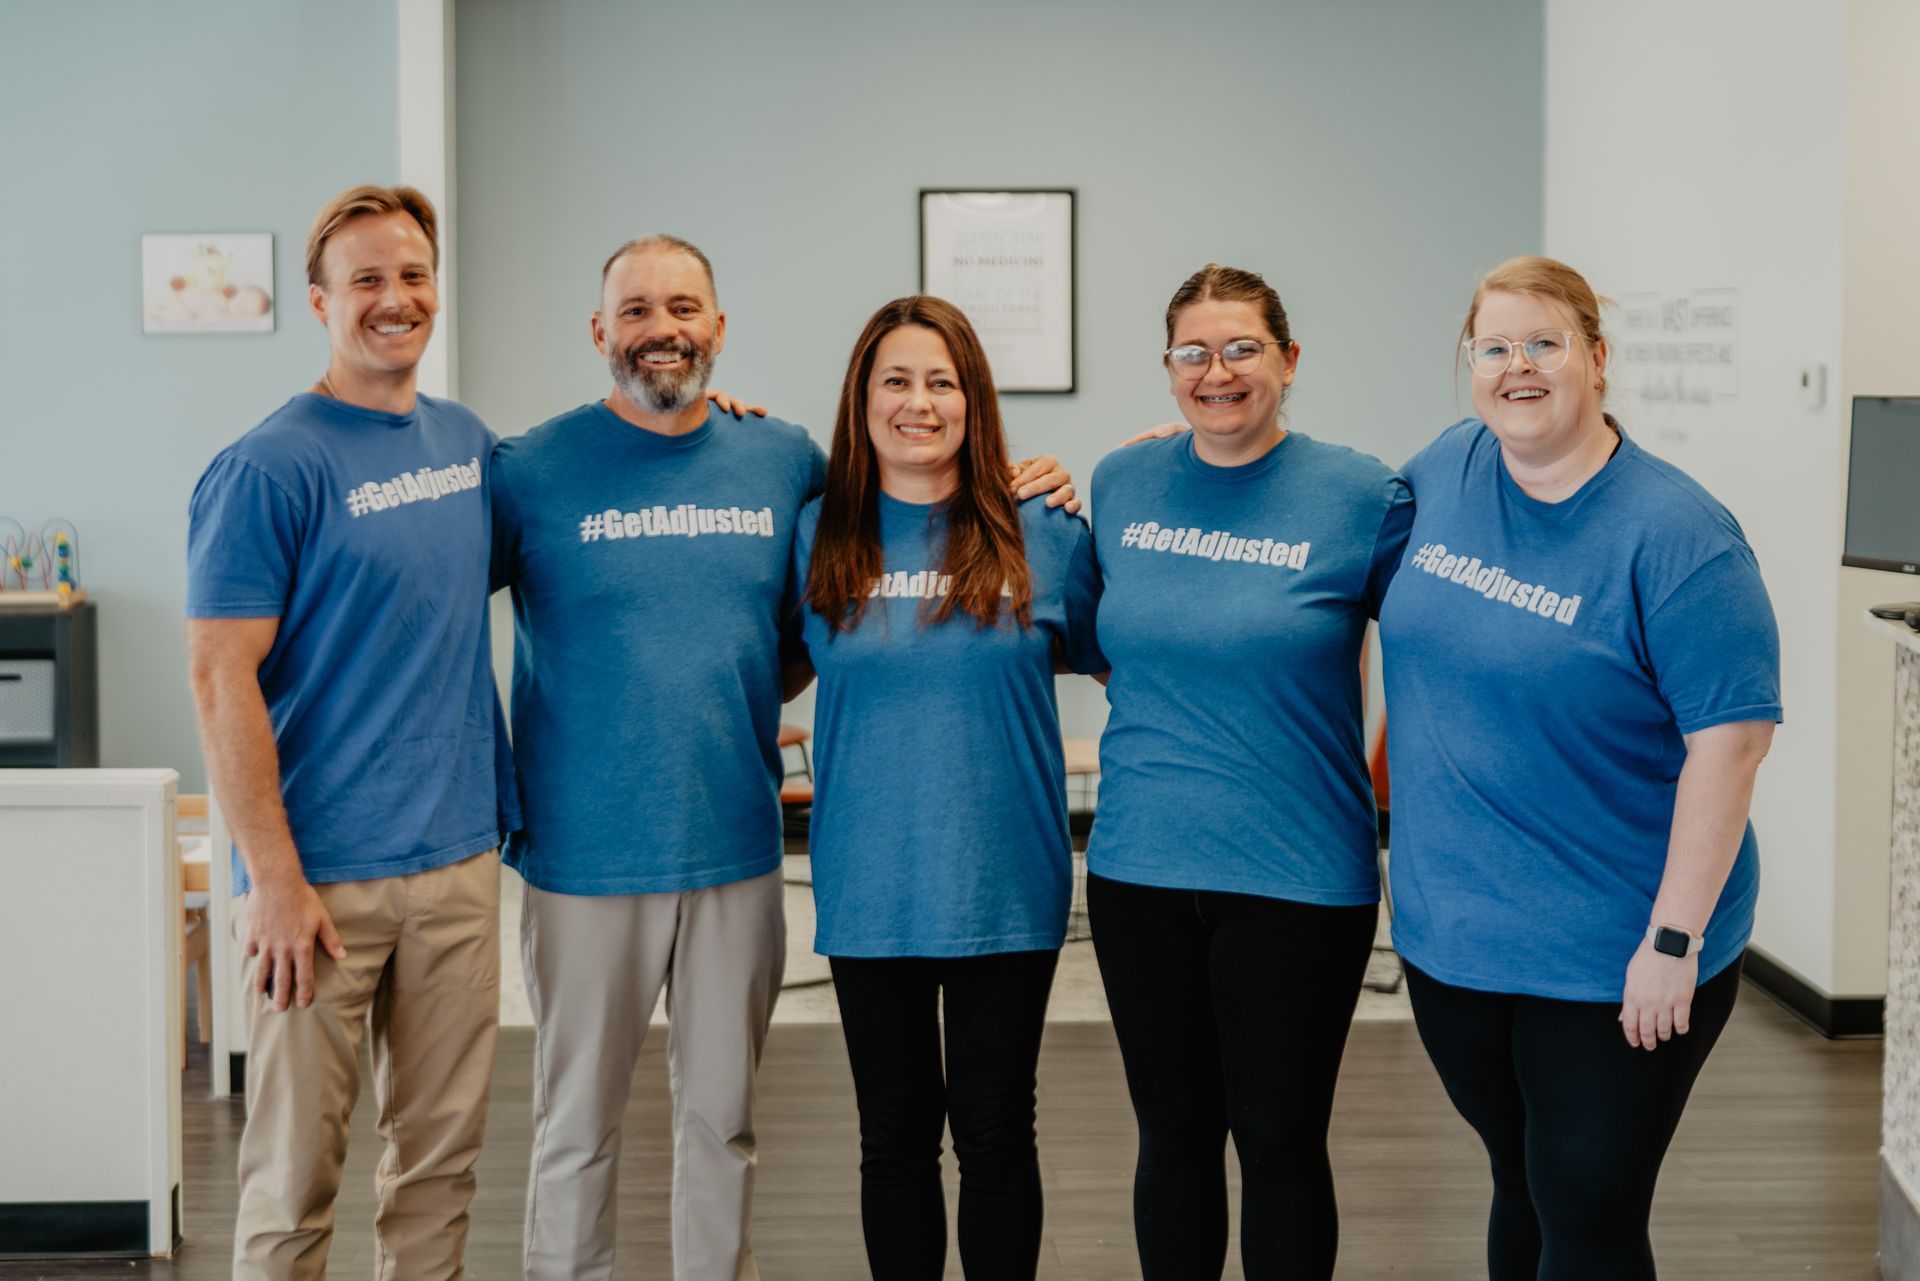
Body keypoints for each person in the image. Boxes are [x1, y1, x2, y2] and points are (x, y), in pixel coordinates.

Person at [490, 245, 1078, 1281]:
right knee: (579, 1125)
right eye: (636, 308)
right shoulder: (538, 470)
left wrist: (1053, 478)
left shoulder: (796, 470)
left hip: (750, 846)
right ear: (599, 331)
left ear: (719, 328)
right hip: (599, 851)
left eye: (684, 307)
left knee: (731, 1123)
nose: (661, 326)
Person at [1379, 255, 1779, 1280]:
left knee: (1590, 1207)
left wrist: (1673, 939)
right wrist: (1191, 449)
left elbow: (1731, 745)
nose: (1518, 367)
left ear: (1597, 359)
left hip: (1618, 947)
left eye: (1544, 344)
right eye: (1494, 347)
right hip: (1458, 936)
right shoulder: (1447, 468)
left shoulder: (1679, 535)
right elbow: (1323, 529)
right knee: (1522, 1180)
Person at [186, 184, 516, 1281]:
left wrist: (713, 414)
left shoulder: (466, 444)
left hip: (460, 864)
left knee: (438, 1171)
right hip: (318, 887)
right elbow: (218, 675)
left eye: (413, 275)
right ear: (320, 303)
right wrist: (270, 879)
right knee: (292, 1183)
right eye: (367, 279)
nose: (395, 298)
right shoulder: (268, 467)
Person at [1084, 264, 1412, 1280]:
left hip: (1298, 879)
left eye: (1241, 349)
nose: (1216, 372)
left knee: (1277, 1144)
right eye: (1194, 352)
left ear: (1288, 360)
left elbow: (1448, 642)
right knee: (1172, 1137)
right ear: (1168, 366)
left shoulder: (1363, 495)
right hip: (1138, 868)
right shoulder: (1122, 481)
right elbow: (1106, 640)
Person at [783, 295, 1104, 1280]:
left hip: (1004, 884)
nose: (919, 401)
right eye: (896, 380)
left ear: (974, 400)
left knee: (999, 1135)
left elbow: (1134, 662)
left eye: (942, 381)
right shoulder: (814, 535)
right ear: (862, 398)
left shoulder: (1041, 529)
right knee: (894, 1137)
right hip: (869, 881)